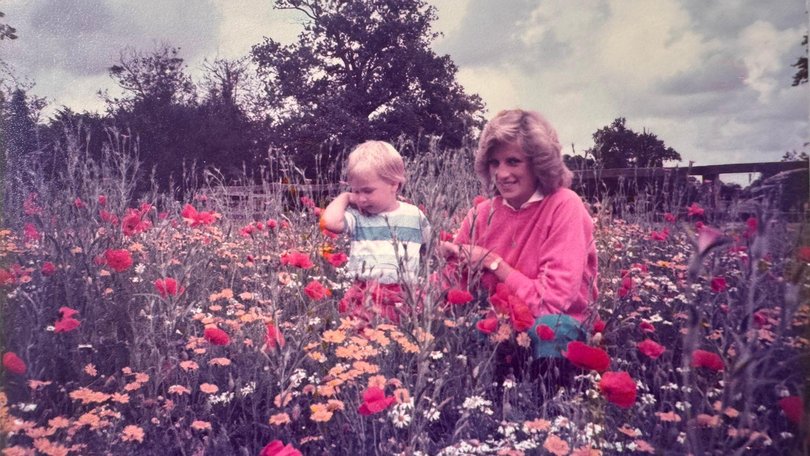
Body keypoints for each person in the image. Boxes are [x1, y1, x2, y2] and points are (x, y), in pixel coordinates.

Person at [441, 109, 598, 388]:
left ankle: (549, 413)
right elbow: (451, 284)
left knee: (548, 329)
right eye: (494, 163)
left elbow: (552, 303)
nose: (502, 174)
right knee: (448, 332)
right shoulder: (481, 213)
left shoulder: (564, 206)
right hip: (497, 326)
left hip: (553, 329)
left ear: (539, 163)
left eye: (513, 161)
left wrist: (493, 263)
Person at [321, 141, 430, 323]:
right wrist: (345, 197)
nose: (361, 199)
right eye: (356, 191)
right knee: (362, 344)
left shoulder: (415, 216)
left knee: (398, 343)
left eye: (368, 191)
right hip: (364, 295)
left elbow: (430, 250)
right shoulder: (358, 217)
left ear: (393, 185)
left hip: (402, 296)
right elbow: (329, 222)